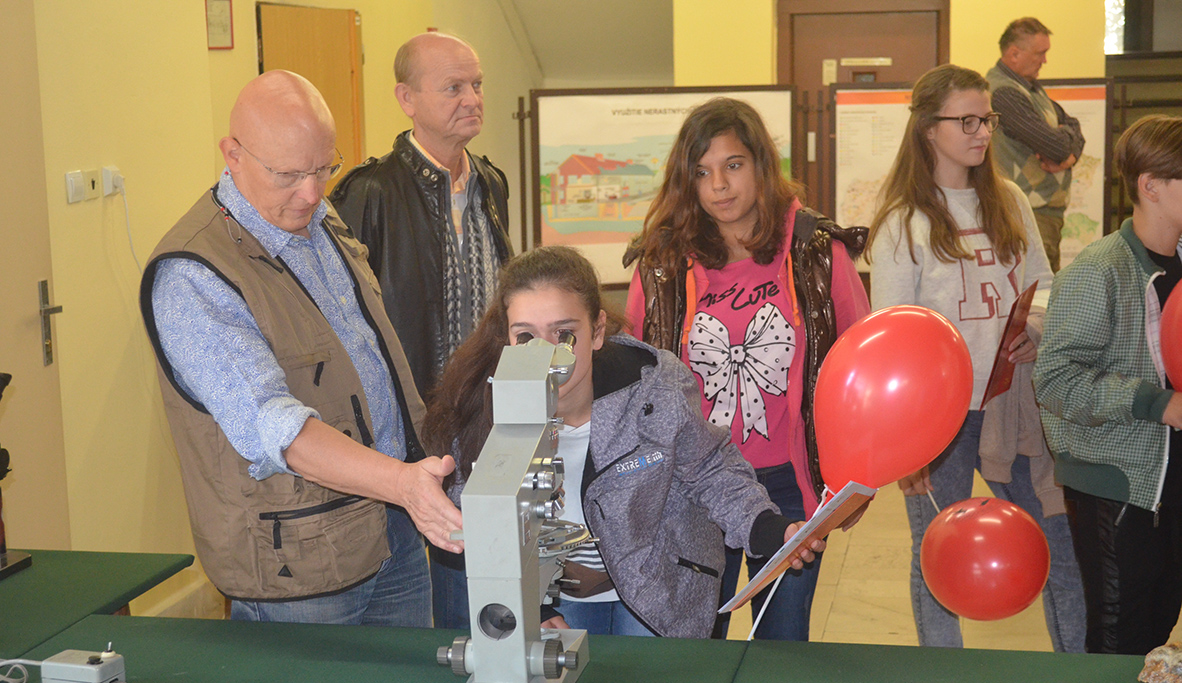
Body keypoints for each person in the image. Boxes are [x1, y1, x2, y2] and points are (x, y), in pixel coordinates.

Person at [140, 71, 463, 626]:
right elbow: (274, 426)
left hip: (392, 525)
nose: (311, 193)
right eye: (288, 174)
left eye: (323, 168)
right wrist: (402, 484)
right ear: (232, 154)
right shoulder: (193, 274)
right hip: (299, 561)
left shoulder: (317, 215)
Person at [421, 246, 824, 638]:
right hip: (562, 593)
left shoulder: (654, 388)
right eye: (526, 336)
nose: (546, 354)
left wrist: (766, 527)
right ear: (506, 339)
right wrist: (530, 605)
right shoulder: (484, 410)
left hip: (660, 585)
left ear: (597, 331)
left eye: (564, 334)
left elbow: (710, 469)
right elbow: (477, 522)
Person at [623, 97, 870, 641]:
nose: (719, 185)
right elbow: (638, 385)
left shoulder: (817, 254)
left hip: (788, 484)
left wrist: (853, 478)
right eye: (701, 172)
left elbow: (860, 369)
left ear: (761, 165)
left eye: (733, 165)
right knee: (695, 644)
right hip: (695, 483)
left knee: (780, 650)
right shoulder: (661, 266)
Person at [868, 64, 1085, 651]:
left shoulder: (1009, 199)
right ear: (928, 129)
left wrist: (1036, 328)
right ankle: (944, 678)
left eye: (986, 119)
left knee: (1058, 544)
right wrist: (905, 441)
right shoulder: (902, 221)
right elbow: (893, 337)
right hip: (939, 420)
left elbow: (1043, 284)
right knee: (938, 552)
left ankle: (1078, 668)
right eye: (966, 121)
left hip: (1013, 404)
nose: (983, 132)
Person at [330, 32, 513, 629]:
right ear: (406, 99)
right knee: (421, 593)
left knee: (483, 583)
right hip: (408, 434)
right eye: (453, 87)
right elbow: (342, 322)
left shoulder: (491, 183)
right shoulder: (369, 192)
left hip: (484, 420)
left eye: (476, 85)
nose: (472, 99)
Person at [1034, 115, 1182, 655]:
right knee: (1121, 635)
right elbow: (1055, 378)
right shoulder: (1098, 271)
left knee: (1163, 620)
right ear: (1151, 186)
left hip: (1173, 477)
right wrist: (1157, 403)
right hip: (1115, 482)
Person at [986, 17, 1085, 273]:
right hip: (1027, 214)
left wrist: (1070, 157)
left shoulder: (1031, 89)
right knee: (1037, 291)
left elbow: (1074, 128)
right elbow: (1056, 148)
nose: (1045, 60)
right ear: (1014, 53)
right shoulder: (1005, 94)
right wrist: (1065, 149)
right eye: (1040, 53)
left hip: (1043, 213)